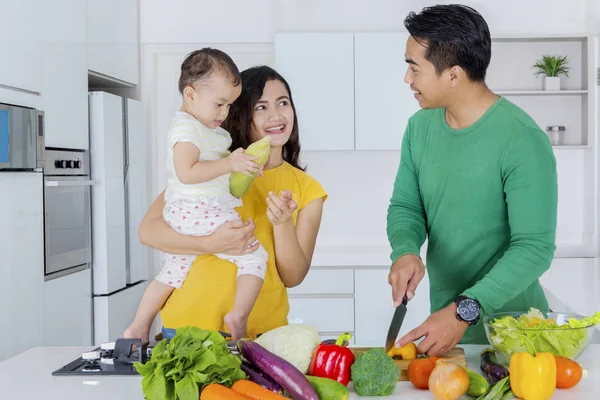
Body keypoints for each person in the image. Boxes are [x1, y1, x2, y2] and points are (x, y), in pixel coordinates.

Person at [388, 4, 558, 356]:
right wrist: (405, 251)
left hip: (517, 336)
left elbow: (534, 249)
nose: (407, 79)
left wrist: (464, 310)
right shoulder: (419, 128)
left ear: (453, 75)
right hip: (449, 333)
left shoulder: (522, 139)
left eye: (414, 68)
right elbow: (407, 205)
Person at [135, 65, 327, 341]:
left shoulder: (307, 190)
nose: (276, 115)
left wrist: (282, 223)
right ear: (240, 113)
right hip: (186, 328)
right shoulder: (211, 167)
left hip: (260, 334)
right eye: (261, 107)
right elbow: (148, 231)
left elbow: (293, 276)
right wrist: (208, 244)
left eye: (283, 103)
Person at [124, 48, 270, 342]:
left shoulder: (202, 128)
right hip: (199, 210)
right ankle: (238, 314)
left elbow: (215, 173)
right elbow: (187, 173)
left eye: (229, 105)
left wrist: (242, 166)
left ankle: (138, 326)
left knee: (173, 269)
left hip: (186, 212)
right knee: (254, 255)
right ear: (190, 95)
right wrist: (230, 163)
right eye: (219, 104)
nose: (224, 113)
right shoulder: (186, 128)